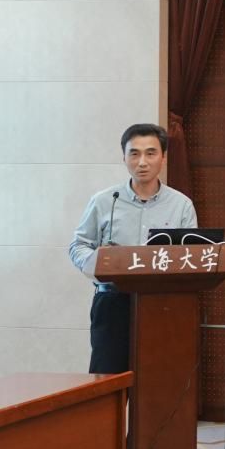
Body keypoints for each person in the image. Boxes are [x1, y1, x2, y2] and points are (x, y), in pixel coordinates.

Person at [69, 123, 197, 374]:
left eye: (151, 153)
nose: (142, 162)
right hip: (112, 301)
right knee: (108, 377)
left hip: (163, 304)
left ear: (163, 158)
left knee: (160, 376)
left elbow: (190, 255)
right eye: (134, 154)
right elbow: (79, 245)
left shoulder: (181, 205)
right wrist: (99, 265)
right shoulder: (105, 201)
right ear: (124, 158)